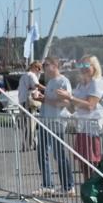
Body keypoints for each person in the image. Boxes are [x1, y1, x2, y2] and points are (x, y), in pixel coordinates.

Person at [57, 55, 103, 183]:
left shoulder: (98, 82)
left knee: (94, 162)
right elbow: (74, 108)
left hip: (95, 128)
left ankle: (98, 189)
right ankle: (88, 188)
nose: (83, 68)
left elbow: (90, 105)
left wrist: (70, 97)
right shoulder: (81, 85)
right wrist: (59, 100)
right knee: (84, 162)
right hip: (83, 127)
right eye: (81, 65)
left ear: (94, 66)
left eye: (86, 65)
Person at [32, 58, 74, 196]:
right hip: (45, 120)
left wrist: (44, 99)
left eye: (45, 65)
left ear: (55, 65)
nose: (43, 67)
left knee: (59, 154)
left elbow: (65, 102)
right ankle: (47, 185)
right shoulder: (50, 82)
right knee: (41, 152)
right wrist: (41, 98)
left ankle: (68, 186)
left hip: (57, 121)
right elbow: (51, 101)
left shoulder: (63, 81)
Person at [17, 61, 42, 150]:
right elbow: (36, 85)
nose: (40, 70)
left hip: (22, 101)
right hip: (29, 102)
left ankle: (29, 144)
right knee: (30, 124)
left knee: (26, 125)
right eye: (39, 68)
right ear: (34, 67)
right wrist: (48, 89)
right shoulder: (32, 75)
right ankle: (29, 145)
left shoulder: (24, 75)